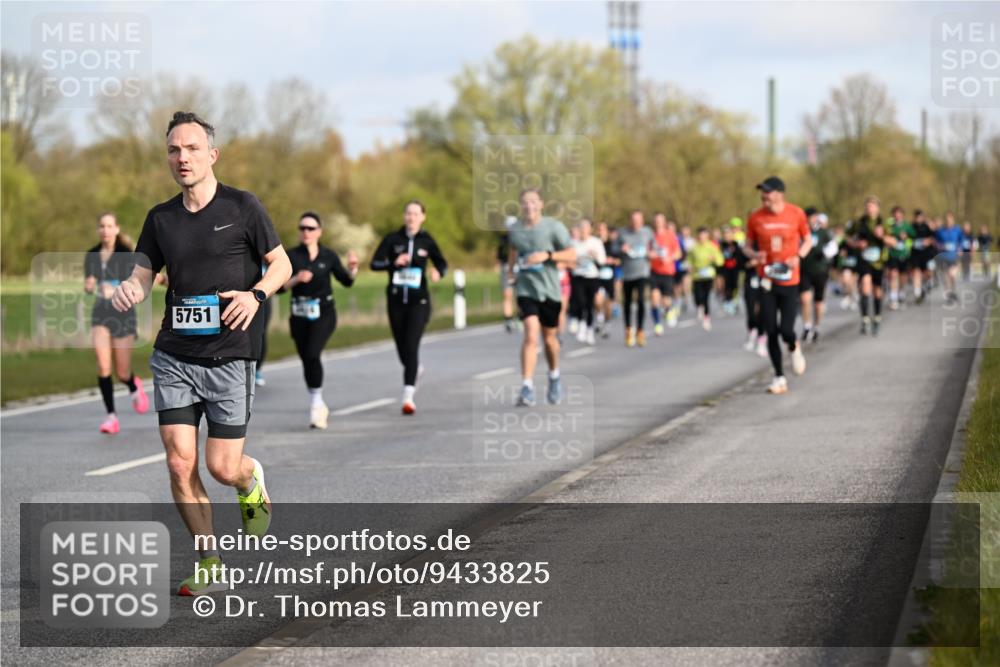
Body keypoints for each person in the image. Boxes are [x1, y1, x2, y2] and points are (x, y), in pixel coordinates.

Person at [112, 111, 292, 595]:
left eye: (192, 149)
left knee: (222, 467)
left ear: (212, 155)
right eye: (174, 150)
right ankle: (209, 560)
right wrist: (131, 289)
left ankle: (249, 479)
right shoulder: (160, 218)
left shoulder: (243, 206)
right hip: (175, 356)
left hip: (230, 354)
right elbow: (143, 274)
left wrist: (256, 295)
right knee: (178, 463)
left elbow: (281, 264)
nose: (182, 157)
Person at [282, 212, 358, 428]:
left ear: (319, 232)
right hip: (299, 314)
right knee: (307, 358)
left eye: (310, 228)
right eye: (302, 228)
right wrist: (296, 279)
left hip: (323, 312)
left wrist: (352, 269)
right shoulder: (291, 256)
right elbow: (278, 288)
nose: (306, 232)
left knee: (313, 353)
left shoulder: (328, 256)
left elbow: (346, 281)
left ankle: (316, 404)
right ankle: (317, 401)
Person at [370, 200, 447, 414]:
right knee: (402, 348)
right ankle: (415, 369)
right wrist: (393, 264)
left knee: (412, 345)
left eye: (415, 214)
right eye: (408, 213)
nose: (411, 217)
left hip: (418, 302)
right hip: (396, 301)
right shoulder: (392, 239)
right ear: (404, 216)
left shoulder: (427, 241)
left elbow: (442, 263)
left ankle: (408, 396)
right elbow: (374, 263)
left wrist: (438, 272)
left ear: (423, 217)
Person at [506, 188, 576, 406]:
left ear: (541, 204)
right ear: (521, 205)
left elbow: (572, 255)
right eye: (525, 202)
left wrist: (547, 255)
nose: (529, 206)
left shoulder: (553, 227)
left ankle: (554, 375)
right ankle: (527, 386)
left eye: (533, 202)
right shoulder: (515, 229)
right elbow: (513, 251)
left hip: (550, 290)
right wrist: (511, 272)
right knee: (530, 335)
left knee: (549, 340)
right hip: (526, 290)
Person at [84, 212, 151, 434]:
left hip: (123, 314)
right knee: (103, 366)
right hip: (100, 313)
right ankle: (111, 417)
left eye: (109, 226)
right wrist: (90, 285)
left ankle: (133, 384)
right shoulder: (92, 255)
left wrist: (113, 288)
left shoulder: (126, 254)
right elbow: (89, 285)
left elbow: (135, 282)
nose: (105, 230)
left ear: (116, 229)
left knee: (122, 372)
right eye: (102, 226)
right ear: (98, 229)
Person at [745, 176, 811, 395]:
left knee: (786, 330)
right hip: (767, 279)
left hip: (789, 279)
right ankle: (779, 377)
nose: (764, 196)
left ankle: (794, 345)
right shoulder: (756, 217)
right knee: (770, 329)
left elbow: (808, 240)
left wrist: (798, 257)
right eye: (762, 192)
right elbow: (747, 246)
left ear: (780, 193)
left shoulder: (796, 213)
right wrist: (755, 254)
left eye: (768, 191)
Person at [618, 210, 654, 347]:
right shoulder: (623, 233)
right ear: (630, 221)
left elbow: (655, 247)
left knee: (640, 301)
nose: (636, 223)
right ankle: (628, 329)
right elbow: (614, 249)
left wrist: (652, 253)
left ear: (642, 221)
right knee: (627, 302)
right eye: (633, 220)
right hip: (627, 273)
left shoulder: (647, 232)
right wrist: (621, 249)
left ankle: (640, 330)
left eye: (638, 220)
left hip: (642, 272)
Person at [799, 210, 836, 342]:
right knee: (805, 299)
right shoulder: (801, 231)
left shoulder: (823, 232)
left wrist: (824, 253)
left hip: (820, 270)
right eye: (809, 217)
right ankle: (806, 326)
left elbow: (833, 247)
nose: (812, 219)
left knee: (818, 303)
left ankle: (817, 326)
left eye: (814, 217)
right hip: (804, 270)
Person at [570, 218, 607, 344]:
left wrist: (594, 256)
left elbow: (602, 261)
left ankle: (590, 330)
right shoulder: (573, 243)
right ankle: (582, 325)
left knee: (590, 304)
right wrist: (574, 262)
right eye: (581, 227)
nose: (583, 230)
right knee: (581, 301)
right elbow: (568, 259)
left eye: (586, 227)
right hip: (578, 276)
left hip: (592, 276)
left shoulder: (596, 242)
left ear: (590, 229)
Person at [649, 214, 681, 335]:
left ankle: (669, 309)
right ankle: (657, 324)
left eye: (660, 221)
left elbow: (678, 253)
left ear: (664, 222)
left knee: (666, 300)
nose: (658, 223)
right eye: (656, 221)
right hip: (654, 271)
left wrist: (669, 258)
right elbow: (646, 251)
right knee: (654, 297)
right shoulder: (651, 236)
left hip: (667, 271)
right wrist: (650, 255)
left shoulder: (670, 235)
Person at [688, 227, 725, 330]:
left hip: (708, 275)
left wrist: (714, 259)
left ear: (707, 236)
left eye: (704, 235)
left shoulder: (712, 246)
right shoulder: (694, 248)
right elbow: (689, 259)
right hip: (697, 275)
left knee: (706, 296)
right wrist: (690, 266)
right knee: (697, 296)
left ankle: (706, 317)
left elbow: (720, 260)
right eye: (700, 235)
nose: (702, 237)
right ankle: (700, 306)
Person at [885, 206, 914, 310]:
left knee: (903, 276)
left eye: (899, 213)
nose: (897, 215)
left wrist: (906, 237)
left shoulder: (907, 226)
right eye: (895, 213)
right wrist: (889, 241)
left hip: (904, 254)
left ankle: (901, 291)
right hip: (893, 254)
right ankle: (893, 298)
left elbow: (914, 236)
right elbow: (884, 237)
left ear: (902, 214)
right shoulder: (889, 226)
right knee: (893, 275)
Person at [594, 221, 619, 338]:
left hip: (609, 277)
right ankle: (599, 319)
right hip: (597, 276)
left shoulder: (612, 244)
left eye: (603, 229)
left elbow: (619, 260)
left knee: (608, 305)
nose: (601, 232)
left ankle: (607, 323)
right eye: (599, 229)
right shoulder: (594, 243)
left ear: (607, 231)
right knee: (597, 300)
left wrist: (612, 260)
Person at [935, 212, 963, 304]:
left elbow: (961, 241)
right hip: (944, 256)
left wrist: (960, 249)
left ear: (953, 220)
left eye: (950, 220)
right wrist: (939, 246)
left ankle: (953, 290)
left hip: (954, 256)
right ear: (945, 221)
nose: (948, 222)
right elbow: (936, 242)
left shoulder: (957, 230)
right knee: (946, 276)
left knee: (952, 275)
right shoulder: (940, 231)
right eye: (947, 220)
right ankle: (949, 295)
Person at [497, 217, 519, 333]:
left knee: (521, 295)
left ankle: (522, 316)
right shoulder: (504, 240)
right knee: (507, 294)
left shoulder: (521, 237)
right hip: (507, 269)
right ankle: (508, 320)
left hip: (520, 269)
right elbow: (500, 255)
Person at [911, 210, 935, 304]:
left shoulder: (927, 226)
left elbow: (933, 238)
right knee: (916, 273)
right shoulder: (911, 227)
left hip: (926, 254)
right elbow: (908, 239)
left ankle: (928, 284)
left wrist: (928, 241)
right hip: (915, 254)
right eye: (917, 217)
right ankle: (917, 295)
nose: (919, 219)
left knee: (927, 273)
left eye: (920, 217)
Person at [718, 225, 742, 316]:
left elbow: (739, 255)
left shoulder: (736, 244)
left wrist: (737, 262)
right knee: (726, 285)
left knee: (734, 284)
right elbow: (719, 255)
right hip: (724, 268)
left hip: (734, 268)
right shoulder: (721, 245)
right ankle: (728, 301)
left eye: (729, 234)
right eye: (725, 234)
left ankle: (735, 300)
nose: (727, 236)